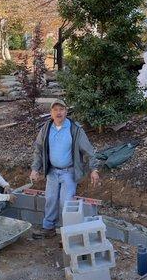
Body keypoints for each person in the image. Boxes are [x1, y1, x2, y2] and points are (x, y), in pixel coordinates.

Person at [30, 99, 99, 238]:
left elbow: (88, 151)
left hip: (68, 172)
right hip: (52, 172)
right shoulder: (46, 128)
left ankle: (67, 234)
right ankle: (48, 228)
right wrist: (35, 168)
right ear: (51, 113)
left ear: (66, 111)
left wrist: (94, 169)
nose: (58, 112)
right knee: (50, 199)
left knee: (65, 203)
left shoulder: (74, 129)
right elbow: (38, 149)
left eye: (61, 109)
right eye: (55, 110)